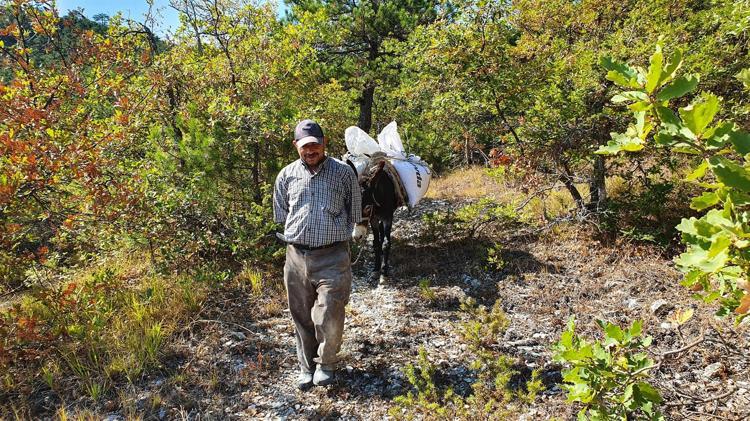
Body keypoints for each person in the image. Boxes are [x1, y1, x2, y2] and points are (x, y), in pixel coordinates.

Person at [273, 119, 362, 389]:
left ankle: (326, 363)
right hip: (296, 256)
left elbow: (355, 211)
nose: (310, 151)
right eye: (304, 146)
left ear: (324, 144)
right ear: (295, 147)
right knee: (300, 315)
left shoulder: (344, 174)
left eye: (314, 145)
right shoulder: (286, 175)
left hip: (333, 256)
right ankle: (306, 366)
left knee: (329, 313)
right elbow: (282, 214)